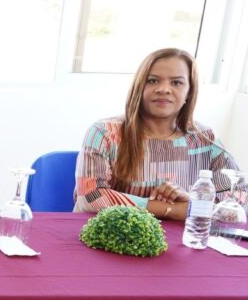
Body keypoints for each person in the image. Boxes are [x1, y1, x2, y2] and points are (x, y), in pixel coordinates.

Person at [75, 47, 247, 218]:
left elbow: (241, 197)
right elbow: (90, 197)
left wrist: (191, 201)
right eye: (153, 81)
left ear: (189, 92)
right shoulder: (105, 133)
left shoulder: (204, 138)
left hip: (182, 234)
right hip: (111, 233)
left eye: (176, 83)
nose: (164, 89)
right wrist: (176, 210)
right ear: (139, 87)